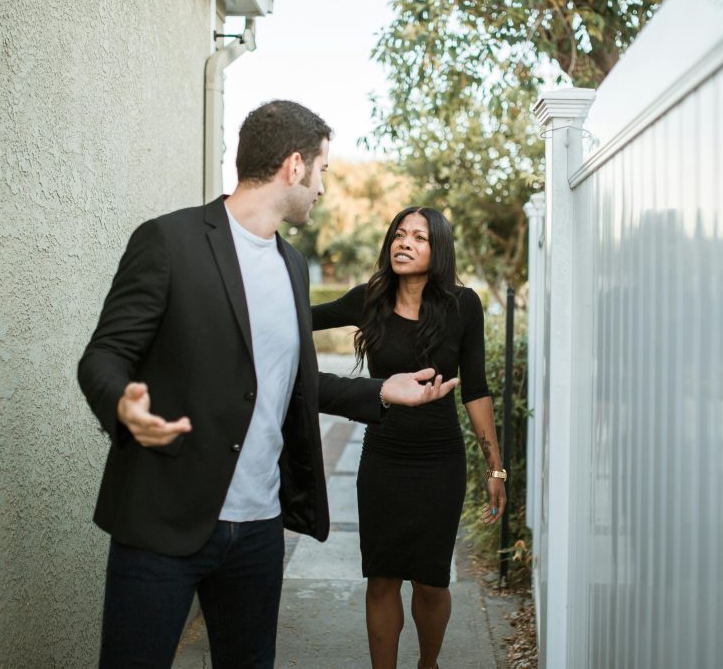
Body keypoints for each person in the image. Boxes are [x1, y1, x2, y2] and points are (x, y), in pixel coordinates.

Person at [77, 101, 459, 669]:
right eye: (325, 172)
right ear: (295, 166)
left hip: (258, 528)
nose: (325, 189)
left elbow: (294, 384)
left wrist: (380, 391)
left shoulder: (292, 265)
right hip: (163, 519)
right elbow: (104, 354)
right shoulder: (168, 241)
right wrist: (121, 406)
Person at [311, 206, 508, 669]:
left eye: (419, 237)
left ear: (438, 249)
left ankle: (427, 664)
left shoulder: (464, 305)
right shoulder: (370, 299)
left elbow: (475, 391)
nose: (404, 243)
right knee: (381, 578)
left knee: (430, 581)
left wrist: (495, 467)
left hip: (439, 460)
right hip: (383, 457)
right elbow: (298, 318)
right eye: (399, 235)